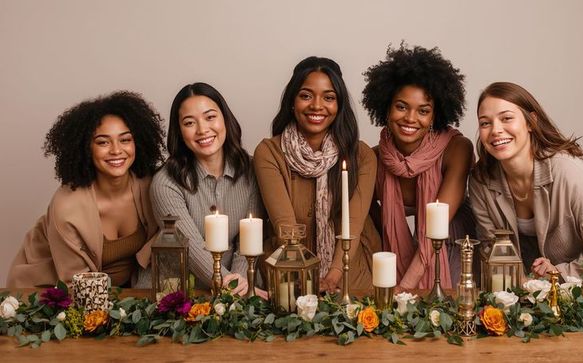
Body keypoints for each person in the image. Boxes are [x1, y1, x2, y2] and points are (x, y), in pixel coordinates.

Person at [470, 81, 583, 287]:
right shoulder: (480, 180)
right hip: (535, 286)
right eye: (485, 123)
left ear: (531, 122)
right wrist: (524, 284)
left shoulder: (569, 172)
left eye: (506, 118)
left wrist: (558, 273)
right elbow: (491, 251)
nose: (495, 130)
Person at [7, 91, 165, 288]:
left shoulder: (152, 187)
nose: (116, 150)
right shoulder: (67, 206)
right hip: (49, 291)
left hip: (120, 296)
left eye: (125, 139)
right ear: (86, 148)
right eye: (103, 142)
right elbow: (75, 284)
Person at [254, 56, 381, 292]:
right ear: (292, 101)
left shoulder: (362, 155)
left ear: (339, 105)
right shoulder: (269, 152)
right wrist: (308, 281)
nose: (316, 105)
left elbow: (353, 223)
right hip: (289, 274)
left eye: (329, 97)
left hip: (350, 275)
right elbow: (285, 227)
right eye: (306, 95)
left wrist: (332, 276)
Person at [362, 44, 475, 290]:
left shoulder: (457, 149)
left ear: (435, 115)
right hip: (400, 249)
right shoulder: (371, 159)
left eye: (423, 111)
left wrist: (405, 288)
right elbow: (375, 227)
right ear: (386, 107)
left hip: (451, 242)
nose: (411, 119)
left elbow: (438, 227)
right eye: (401, 106)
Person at [151, 82, 266, 297]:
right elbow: (190, 247)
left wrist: (241, 282)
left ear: (225, 119)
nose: (202, 129)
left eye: (210, 117)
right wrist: (230, 285)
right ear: (179, 131)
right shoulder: (165, 182)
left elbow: (247, 239)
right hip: (182, 290)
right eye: (189, 122)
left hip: (240, 285)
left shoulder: (251, 170)